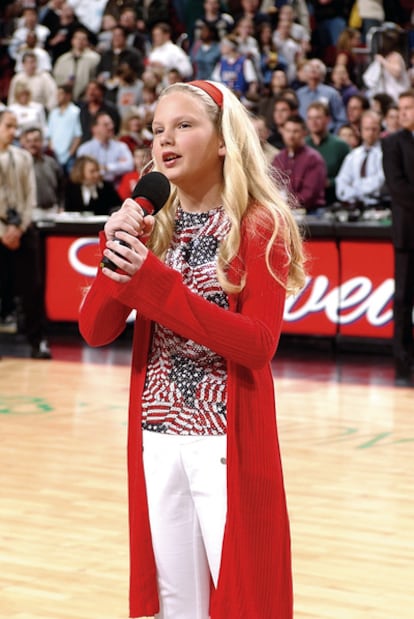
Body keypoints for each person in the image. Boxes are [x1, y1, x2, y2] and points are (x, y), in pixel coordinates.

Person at [78, 79, 306, 618]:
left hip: (224, 440)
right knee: (177, 604)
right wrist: (117, 249)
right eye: (158, 130)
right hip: (157, 436)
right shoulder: (154, 224)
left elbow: (257, 345)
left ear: (223, 139)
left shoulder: (258, 224)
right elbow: (94, 330)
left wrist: (155, 286)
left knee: (242, 596)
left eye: (184, 125)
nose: (165, 140)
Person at [0, 109, 51, 359]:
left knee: (32, 287)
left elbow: (30, 195)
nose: (14, 132)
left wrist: (17, 228)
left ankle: (38, 340)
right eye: (9, 126)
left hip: (21, 229)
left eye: (15, 127)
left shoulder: (22, 157)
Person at [382, 90, 414, 386]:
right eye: (401, 108)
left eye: (409, 108)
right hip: (407, 233)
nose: (404, 113)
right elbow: (398, 187)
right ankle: (402, 357)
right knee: (404, 297)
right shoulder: (391, 143)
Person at [272, 113, 327, 212]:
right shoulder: (279, 157)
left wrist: (286, 204)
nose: (291, 135)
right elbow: (272, 186)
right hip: (283, 209)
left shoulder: (313, 158)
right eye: (288, 131)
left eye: (295, 131)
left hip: (310, 212)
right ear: (283, 132)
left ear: (304, 133)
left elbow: (309, 195)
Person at [336, 110, 388, 208]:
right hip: (353, 206)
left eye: (374, 129)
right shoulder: (353, 155)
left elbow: (379, 183)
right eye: (367, 129)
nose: (370, 133)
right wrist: (356, 193)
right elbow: (341, 184)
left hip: (378, 206)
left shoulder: (386, 154)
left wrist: (354, 187)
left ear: (380, 130)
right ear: (360, 130)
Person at [305, 101, 350, 205]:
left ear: (328, 119)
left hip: (333, 200)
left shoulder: (340, 145)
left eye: (318, 118)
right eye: (310, 118)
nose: (313, 122)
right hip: (306, 202)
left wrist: (330, 182)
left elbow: (350, 176)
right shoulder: (303, 145)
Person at [76, 111, 134, 186]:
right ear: (94, 129)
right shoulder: (84, 150)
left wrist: (107, 168)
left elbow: (129, 166)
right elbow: (83, 173)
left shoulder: (121, 146)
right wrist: (118, 166)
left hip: (118, 191)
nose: (111, 127)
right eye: (106, 125)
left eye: (111, 123)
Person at [19, 125, 64, 220]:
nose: (32, 144)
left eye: (36, 140)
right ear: (23, 143)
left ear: (42, 142)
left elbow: (61, 187)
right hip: (31, 212)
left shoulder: (51, 162)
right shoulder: (19, 163)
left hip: (53, 210)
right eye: (28, 141)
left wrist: (61, 206)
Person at [296, 58, 348, 133]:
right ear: (306, 72)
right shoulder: (299, 94)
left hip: (327, 136)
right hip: (304, 137)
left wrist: (333, 137)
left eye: (317, 67)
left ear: (322, 73)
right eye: (310, 67)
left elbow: (341, 119)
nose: (313, 69)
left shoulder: (332, 93)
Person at [52, 26, 100, 102]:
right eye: (77, 38)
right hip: (66, 99)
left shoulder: (94, 58)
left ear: (87, 42)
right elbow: (56, 79)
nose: (80, 41)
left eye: (83, 39)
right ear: (72, 41)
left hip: (85, 99)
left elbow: (95, 79)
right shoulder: (63, 59)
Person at [47, 83, 82, 174]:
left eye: (60, 94)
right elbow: (50, 134)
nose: (57, 97)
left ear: (68, 96)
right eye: (57, 94)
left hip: (69, 155)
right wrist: (52, 151)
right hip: (55, 155)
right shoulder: (53, 113)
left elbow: (78, 135)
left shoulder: (75, 112)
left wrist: (71, 152)